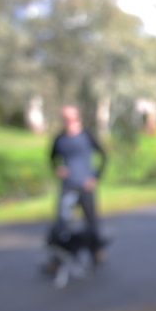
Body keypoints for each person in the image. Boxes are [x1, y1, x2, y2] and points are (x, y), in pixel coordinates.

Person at [43, 104, 108, 272]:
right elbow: (52, 158)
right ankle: (57, 258)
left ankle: (96, 252)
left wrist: (95, 176)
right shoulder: (60, 138)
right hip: (68, 185)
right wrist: (57, 168)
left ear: (76, 116)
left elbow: (103, 155)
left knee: (91, 221)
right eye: (65, 117)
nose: (68, 120)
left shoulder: (87, 135)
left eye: (71, 116)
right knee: (61, 223)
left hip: (85, 185)